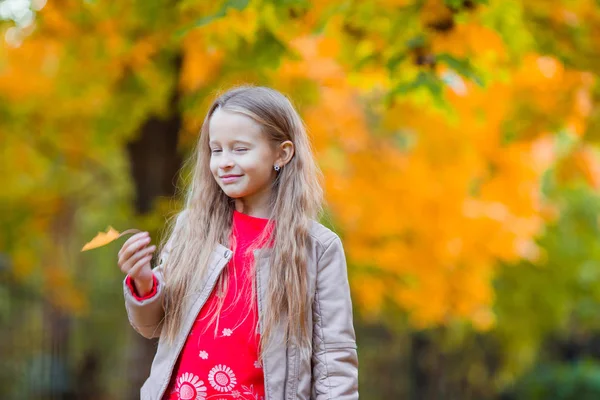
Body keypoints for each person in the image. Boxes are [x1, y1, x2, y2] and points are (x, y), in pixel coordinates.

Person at [117, 86, 358, 400]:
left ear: (282, 154)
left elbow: (334, 359)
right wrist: (145, 283)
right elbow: (154, 325)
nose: (224, 162)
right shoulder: (193, 228)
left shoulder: (317, 248)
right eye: (216, 150)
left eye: (240, 149)